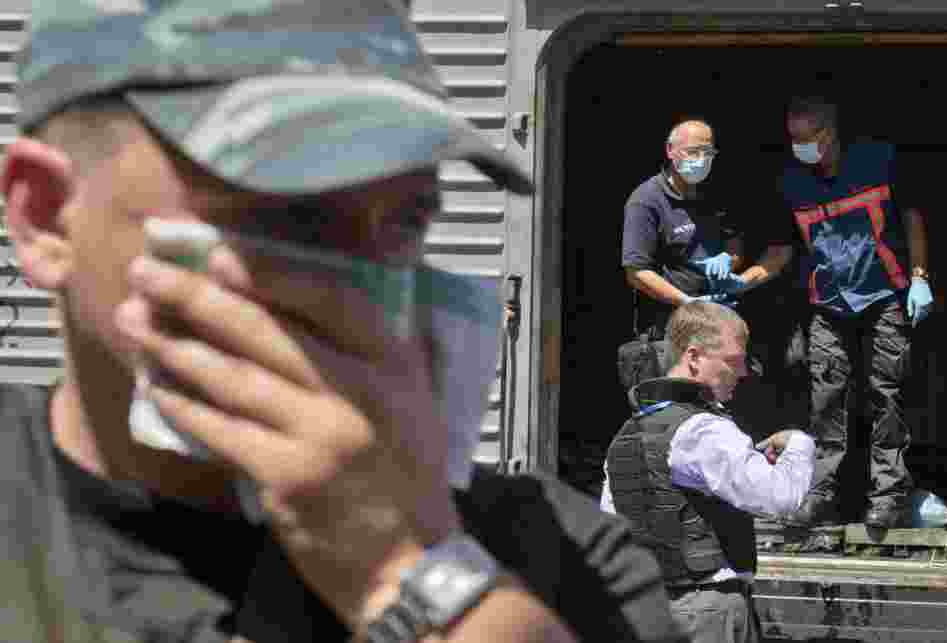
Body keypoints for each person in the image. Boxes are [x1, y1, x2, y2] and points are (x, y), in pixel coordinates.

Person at [0, 1, 682, 641]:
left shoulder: (564, 558)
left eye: (409, 215)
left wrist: (406, 568)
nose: (370, 276)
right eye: (291, 206)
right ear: (46, 218)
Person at [737, 96, 933, 528]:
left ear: (832, 132)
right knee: (826, 401)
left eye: (809, 138)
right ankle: (821, 495)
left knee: (887, 396)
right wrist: (745, 279)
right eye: (794, 139)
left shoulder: (877, 162)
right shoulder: (792, 183)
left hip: (884, 296)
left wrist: (920, 277)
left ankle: (889, 496)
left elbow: (912, 216)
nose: (801, 146)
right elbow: (781, 251)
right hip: (827, 303)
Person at [601, 302, 815, 643]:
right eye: (734, 360)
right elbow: (781, 496)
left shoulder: (626, 435)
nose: (743, 372)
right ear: (694, 357)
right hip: (707, 614)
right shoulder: (704, 431)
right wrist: (800, 444)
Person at [622, 119, 750, 343]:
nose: (701, 160)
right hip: (670, 325)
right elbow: (636, 272)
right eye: (693, 151)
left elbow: (735, 245)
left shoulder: (718, 192)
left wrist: (727, 260)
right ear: (670, 151)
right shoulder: (646, 200)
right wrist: (687, 302)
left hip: (719, 317)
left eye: (707, 152)